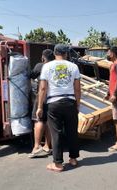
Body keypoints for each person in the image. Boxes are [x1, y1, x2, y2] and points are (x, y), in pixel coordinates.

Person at [36, 44, 81, 172]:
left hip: (54, 103)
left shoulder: (47, 66)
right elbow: (77, 88)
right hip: (70, 101)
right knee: (72, 131)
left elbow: (43, 88)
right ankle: (73, 159)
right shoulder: (74, 67)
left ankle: (58, 164)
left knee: (56, 133)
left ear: (55, 53)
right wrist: (77, 104)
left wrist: (40, 106)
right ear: (66, 54)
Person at [28, 49, 54, 158]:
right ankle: (48, 146)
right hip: (53, 98)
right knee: (48, 121)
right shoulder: (55, 67)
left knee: (38, 119)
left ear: (43, 58)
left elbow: (31, 75)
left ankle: (37, 147)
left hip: (42, 97)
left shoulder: (40, 66)